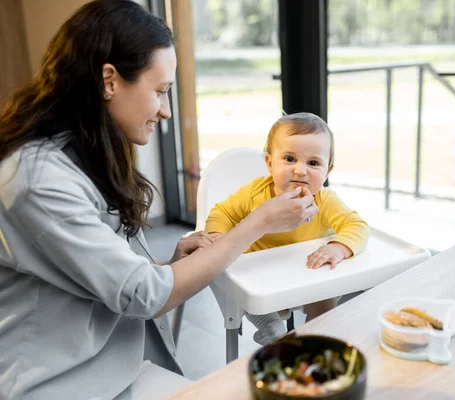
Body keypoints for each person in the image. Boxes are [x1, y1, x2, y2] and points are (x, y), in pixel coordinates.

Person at [0, 1, 318, 399]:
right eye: (161, 91)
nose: (166, 111)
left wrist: (170, 266)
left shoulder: (85, 152)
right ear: (109, 81)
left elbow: (109, 280)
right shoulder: (35, 179)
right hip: (60, 384)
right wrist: (258, 223)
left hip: (115, 364)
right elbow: (144, 295)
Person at [204, 112, 369, 345]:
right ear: (270, 163)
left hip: (306, 272)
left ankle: (317, 330)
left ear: (327, 171)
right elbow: (223, 213)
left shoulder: (325, 200)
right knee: (245, 282)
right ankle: (269, 325)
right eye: (290, 159)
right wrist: (216, 235)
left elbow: (357, 225)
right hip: (262, 270)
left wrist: (338, 247)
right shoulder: (254, 193)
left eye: (313, 163)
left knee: (326, 292)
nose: (300, 170)